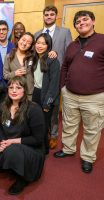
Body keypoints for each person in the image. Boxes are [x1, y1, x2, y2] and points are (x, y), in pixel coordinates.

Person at [54, 10, 104, 174]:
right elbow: (65, 66)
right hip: (70, 95)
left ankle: (88, 157)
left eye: (85, 19)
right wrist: (63, 87)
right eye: (78, 21)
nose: (81, 23)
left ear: (93, 21)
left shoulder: (102, 40)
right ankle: (68, 149)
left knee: (92, 129)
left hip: (94, 97)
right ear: (74, 26)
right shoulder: (72, 45)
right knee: (69, 125)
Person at [0, 76, 45, 195]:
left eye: (18, 87)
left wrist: (12, 142)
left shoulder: (33, 109)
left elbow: (38, 139)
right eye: (11, 87)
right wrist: (4, 142)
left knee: (12, 151)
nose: (14, 90)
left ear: (24, 90)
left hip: (31, 148)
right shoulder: (3, 106)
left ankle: (23, 179)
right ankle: (14, 163)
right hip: (9, 144)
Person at [34, 5, 72, 149]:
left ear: (56, 16)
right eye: (46, 14)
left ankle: (53, 135)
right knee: (41, 113)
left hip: (56, 75)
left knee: (53, 111)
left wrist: (55, 54)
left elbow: (69, 54)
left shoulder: (65, 32)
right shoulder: (38, 33)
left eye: (51, 14)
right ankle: (42, 135)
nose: (49, 16)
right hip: (41, 77)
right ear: (43, 16)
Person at [32, 33, 60, 155]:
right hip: (35, 93)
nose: (40, 46)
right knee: (36, 122)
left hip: (46, 95)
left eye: (43, 43)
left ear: (48, 45)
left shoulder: (53, 60)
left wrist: (47, 103)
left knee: (44, 125)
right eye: (38, 43)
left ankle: (44, 150)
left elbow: (54, 85)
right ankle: (37, 146)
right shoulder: (34, 58)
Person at [3, 32, 34, 99]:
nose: (25, 43)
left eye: (28, 42)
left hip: (29, 92)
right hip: (15, 93)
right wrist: (15, 73)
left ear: (31, 46)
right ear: (19, 40)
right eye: (23, 40)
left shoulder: (33, 57)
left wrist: (53, 52)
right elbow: (5, 75)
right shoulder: (9, 56)